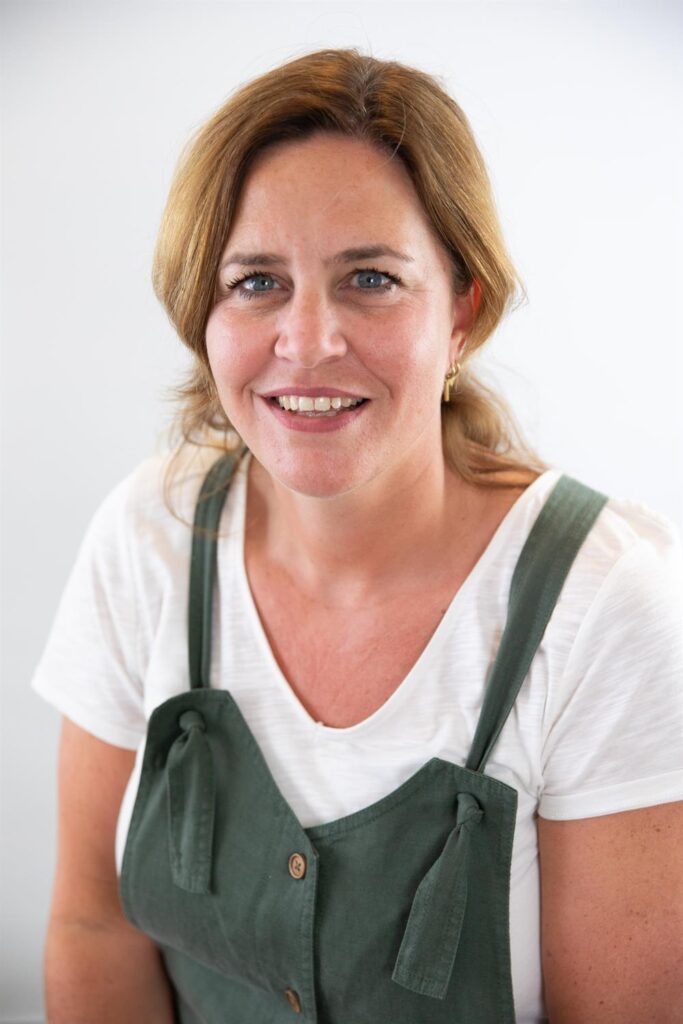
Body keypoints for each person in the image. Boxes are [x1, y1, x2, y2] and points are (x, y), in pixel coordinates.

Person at [31, 47, 682, 1024]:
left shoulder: (603, 607)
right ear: (202, 311)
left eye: (370, 277)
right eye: (256, 281)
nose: (307, 342)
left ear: (460, 312)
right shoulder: (147, 536)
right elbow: (94, 928)